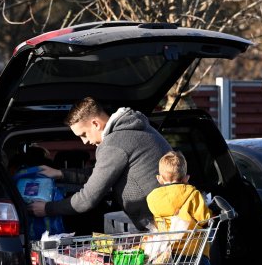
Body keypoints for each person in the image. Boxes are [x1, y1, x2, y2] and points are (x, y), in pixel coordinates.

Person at [28, 97, 171, 231]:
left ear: (95, 124)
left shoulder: (114, 143)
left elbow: (87, 199)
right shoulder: (136, 128)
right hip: (172, 217)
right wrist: (60, 174)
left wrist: (47, 208)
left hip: (161, 225)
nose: (84, 142)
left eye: (83, 134)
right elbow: (100, 173)